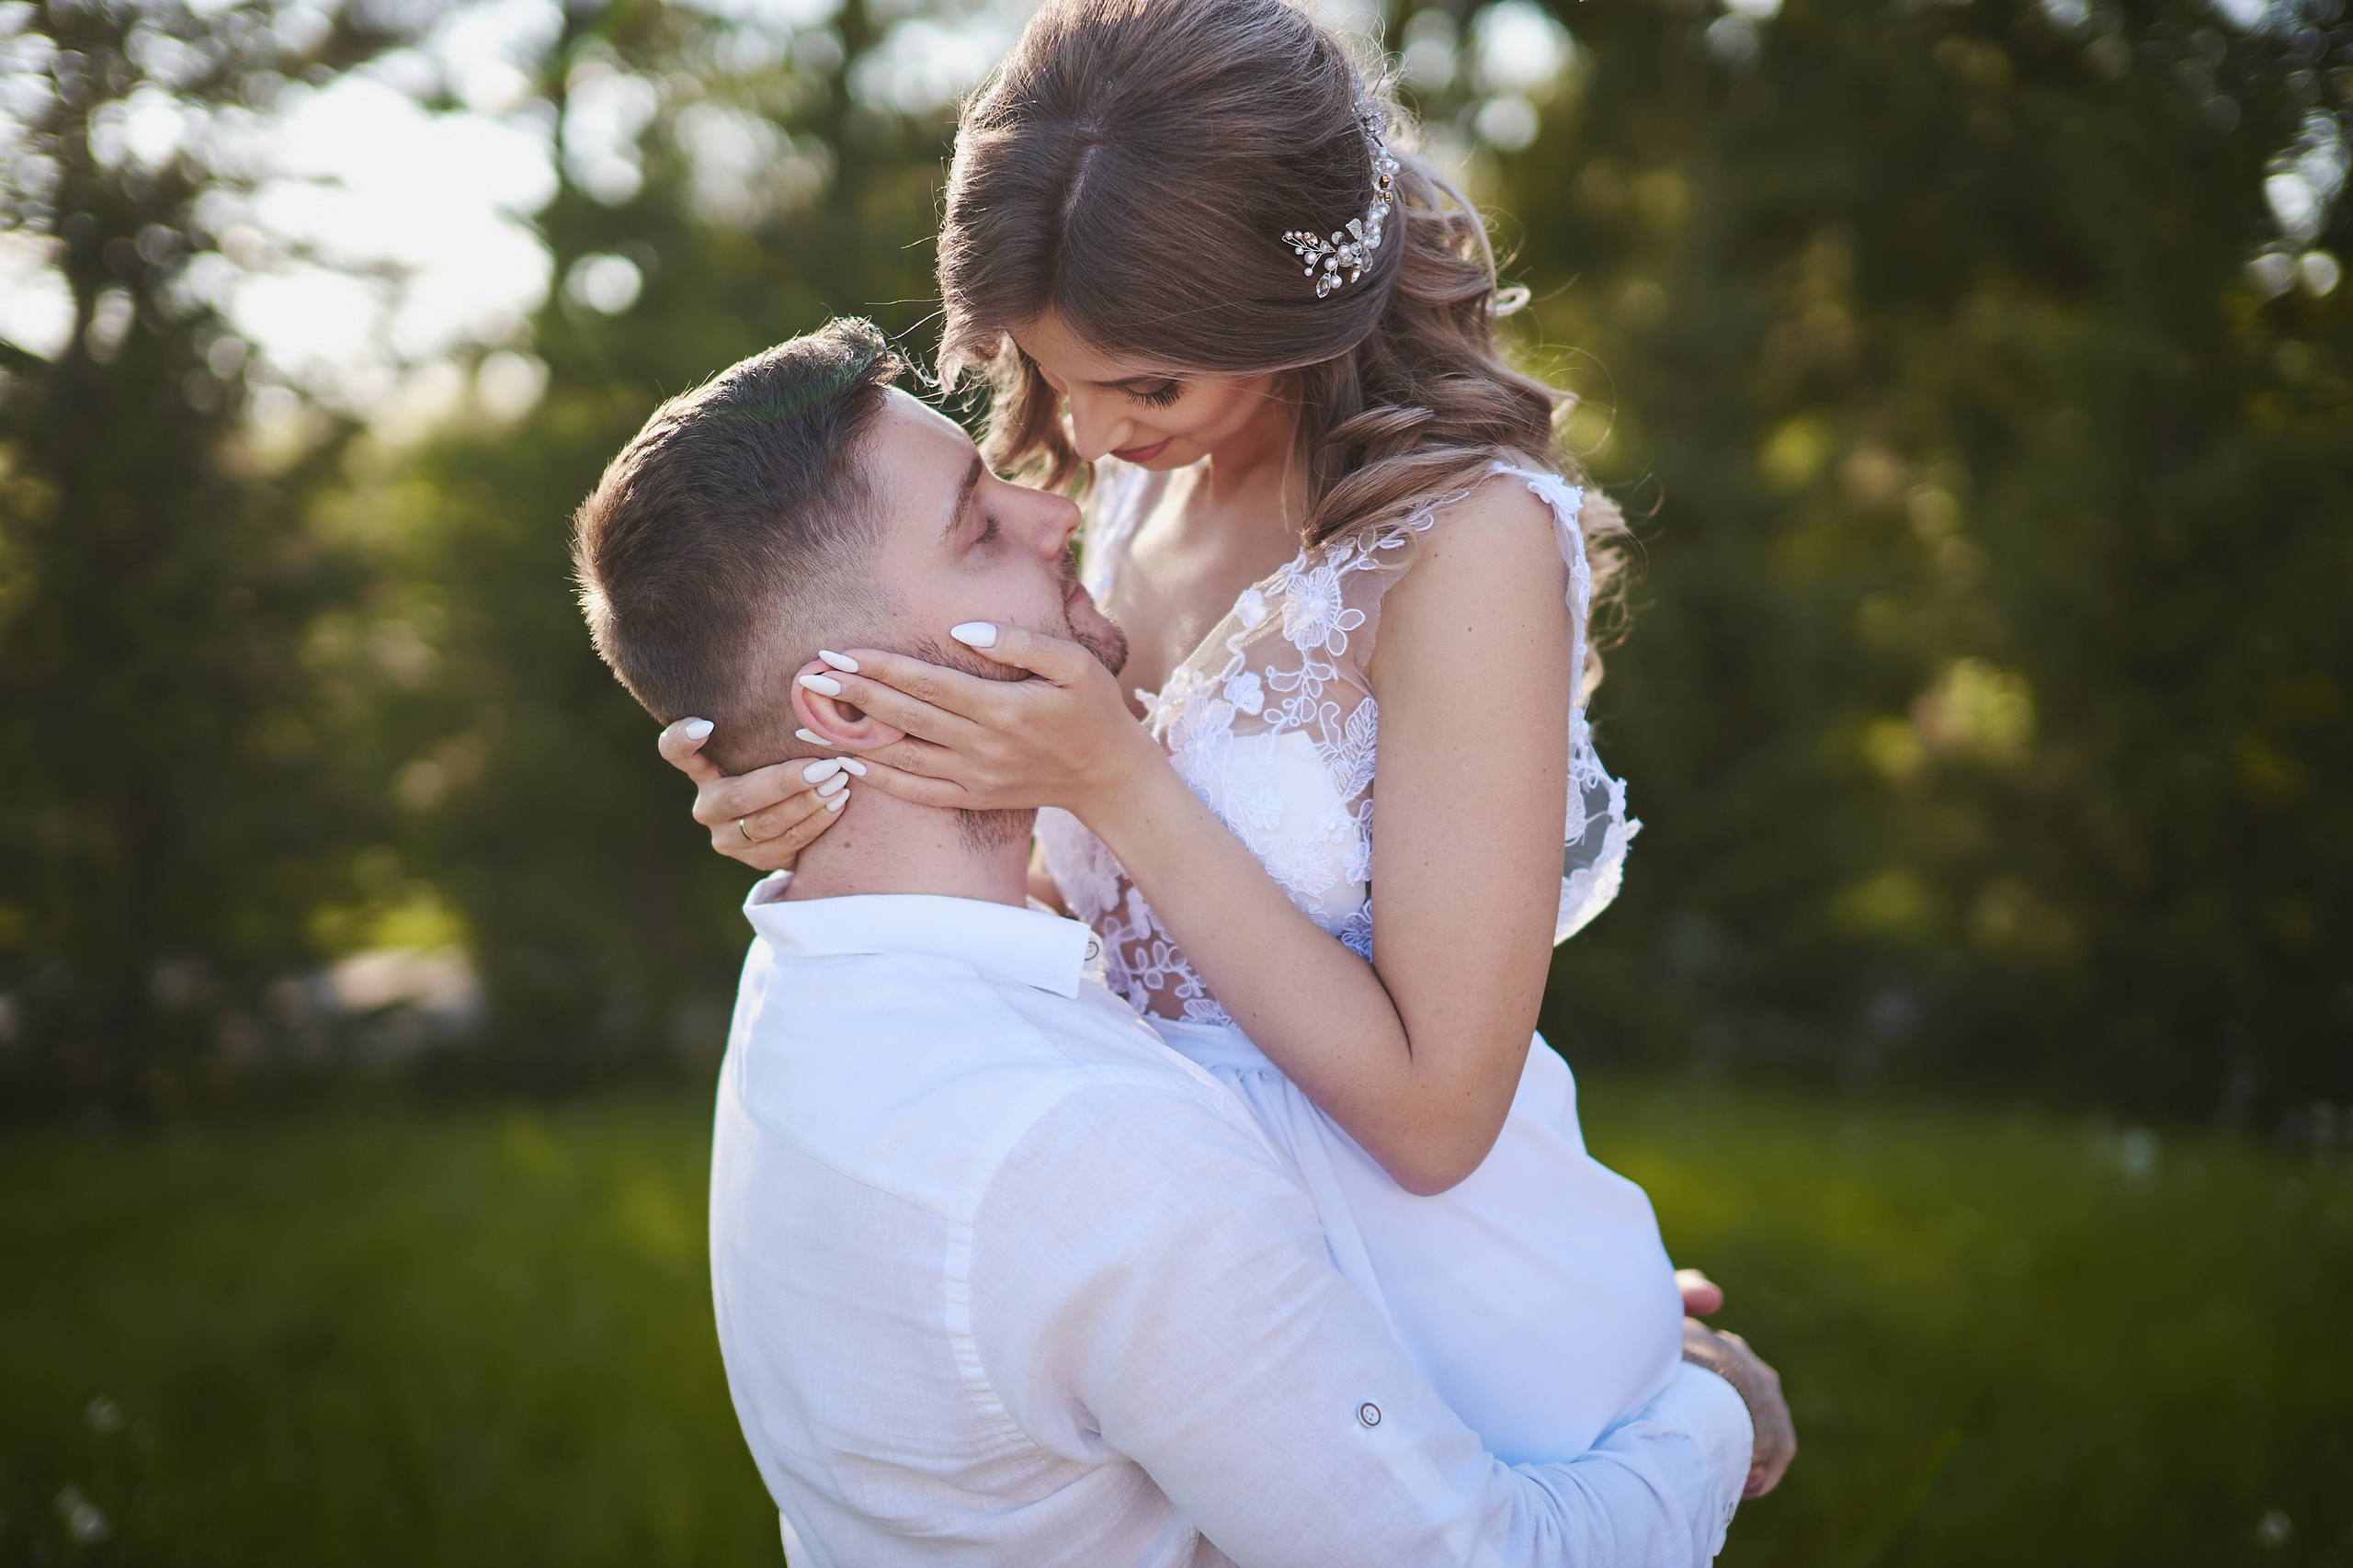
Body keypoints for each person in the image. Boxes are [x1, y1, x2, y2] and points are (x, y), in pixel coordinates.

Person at [658, 0, 1792, 1483]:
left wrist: (1116, 780)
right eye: (1056, 371)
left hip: (1436, 1307)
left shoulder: (1463, 549)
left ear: (1292, 314)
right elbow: (1080, 918)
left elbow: (1442, 1116)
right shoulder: (1115, 491)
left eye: (1150, 385)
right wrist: (812, 789)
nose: (1092, 430)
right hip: (1173, 1273)